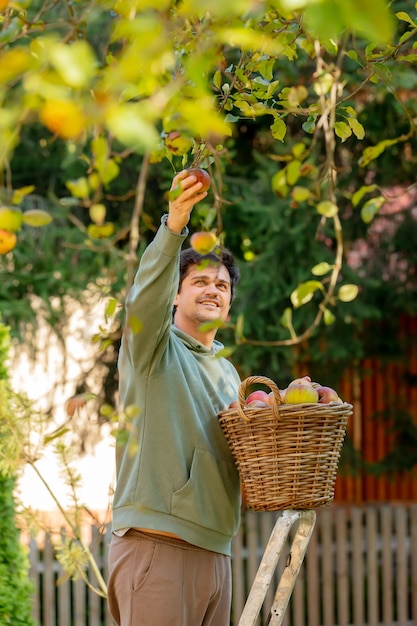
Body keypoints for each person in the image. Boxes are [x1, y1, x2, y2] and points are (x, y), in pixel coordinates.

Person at [107, 169, 242, 626]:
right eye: (200, 282)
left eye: (221, 285)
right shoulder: (153, 349)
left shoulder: (230, 376)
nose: (213, 290)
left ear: (229, 304)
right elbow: (143, 300)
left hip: (216, 553)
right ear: (175, 295)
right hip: (157, 545)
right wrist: (175, 224)